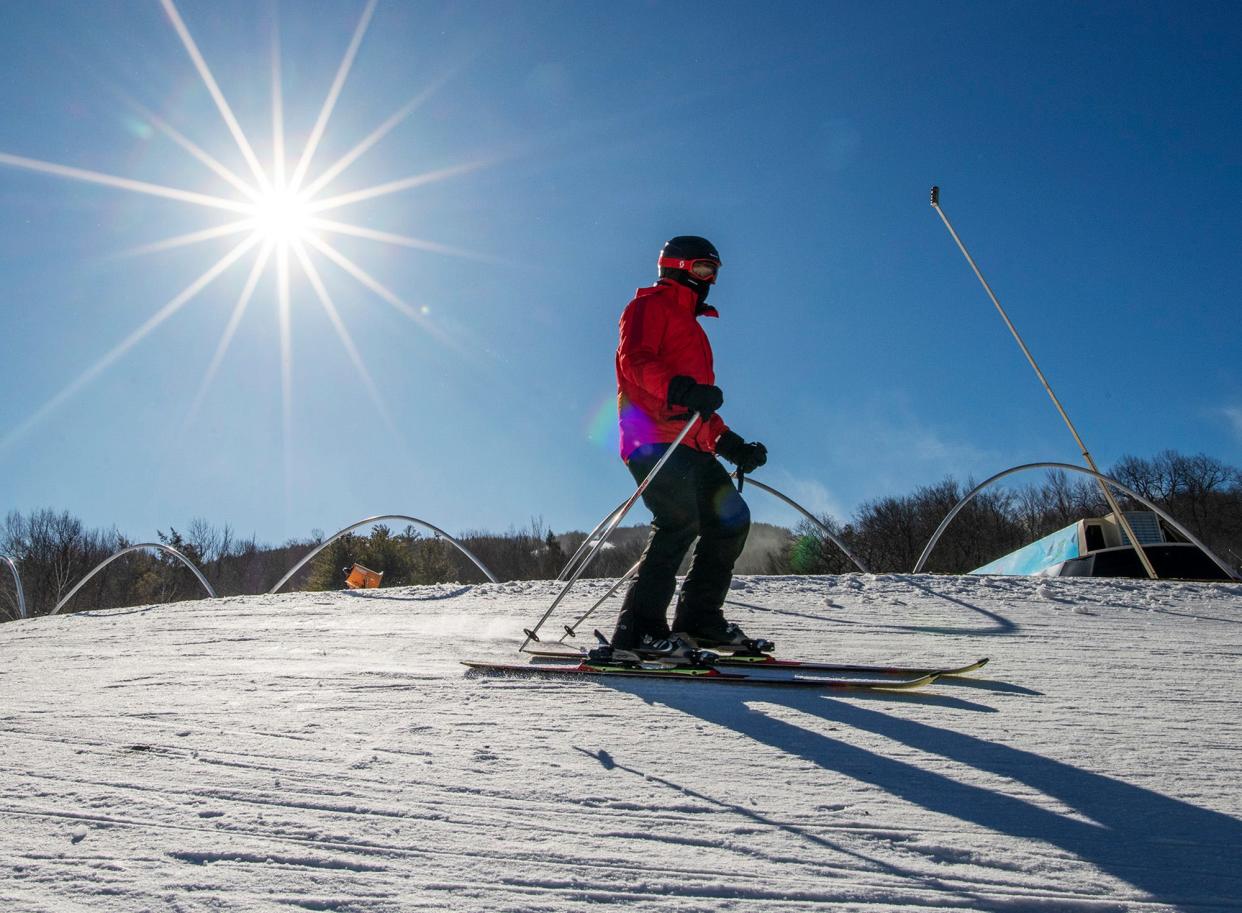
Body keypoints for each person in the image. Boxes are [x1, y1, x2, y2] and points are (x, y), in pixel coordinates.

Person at [611, 235, 768, 659]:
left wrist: (730, 443)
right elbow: (636, 361)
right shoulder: (647, 306)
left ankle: (699, 619)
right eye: (703, 268)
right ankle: (638, 630)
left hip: (691, 445)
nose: (710, 279)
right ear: (676, 266)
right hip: (652, 439)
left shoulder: (696, 330)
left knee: (732, 519)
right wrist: (681, 389)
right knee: (679, 518)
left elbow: (699, 406)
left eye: (714, 271)